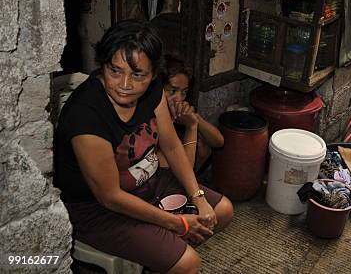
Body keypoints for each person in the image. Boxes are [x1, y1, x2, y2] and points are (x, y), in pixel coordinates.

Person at [53, 20, 233, 273]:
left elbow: (171, 146)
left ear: (152, 74)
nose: (125, 84)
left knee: (222, 211)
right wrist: (177, 223)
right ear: (103, 65)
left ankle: (158, 259)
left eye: (138, 75)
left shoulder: (152, 91)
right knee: (189, 264)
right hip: (99, 210)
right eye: (114, 71)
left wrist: (198, 196)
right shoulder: (86, 115)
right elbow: (110, 197)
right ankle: (168, 255)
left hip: (148, 181)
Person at [159, 54, 225, 174]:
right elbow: (184, 170)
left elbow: (219, 141)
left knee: (202, 147)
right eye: (172, 91)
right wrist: (191, 127)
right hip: (165, 174)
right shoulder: (153, 118)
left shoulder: (180, 112)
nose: (179, 98)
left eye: (184, 92)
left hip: (184, 170)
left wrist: (195, 118)